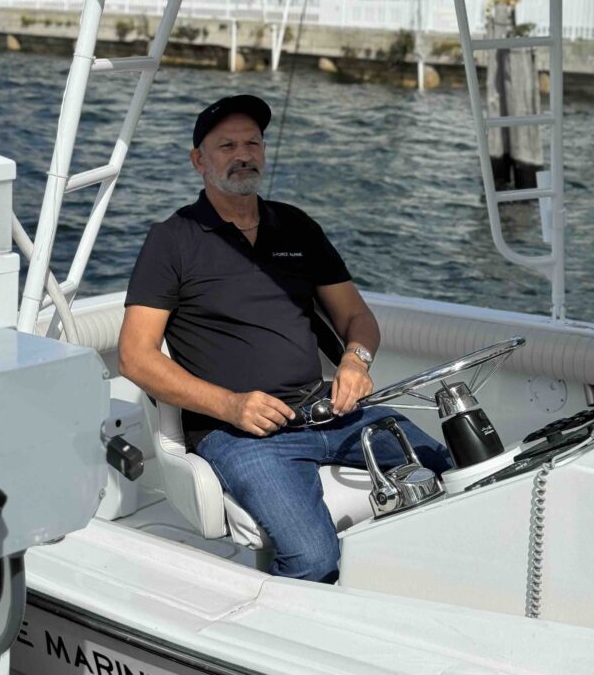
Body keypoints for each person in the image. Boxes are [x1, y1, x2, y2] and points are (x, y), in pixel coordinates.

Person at [119, 94, 451, 583]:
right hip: (242, 434)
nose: (243, 154)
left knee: (457, 473)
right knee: (313, 558)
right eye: (226, 145)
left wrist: (355, 364)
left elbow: (357, 318)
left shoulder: (296, 225)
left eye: (253, 142)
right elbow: (134, 356)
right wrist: (231, 406)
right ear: (199, 161)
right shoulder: (172, 240)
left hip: (329, 413)